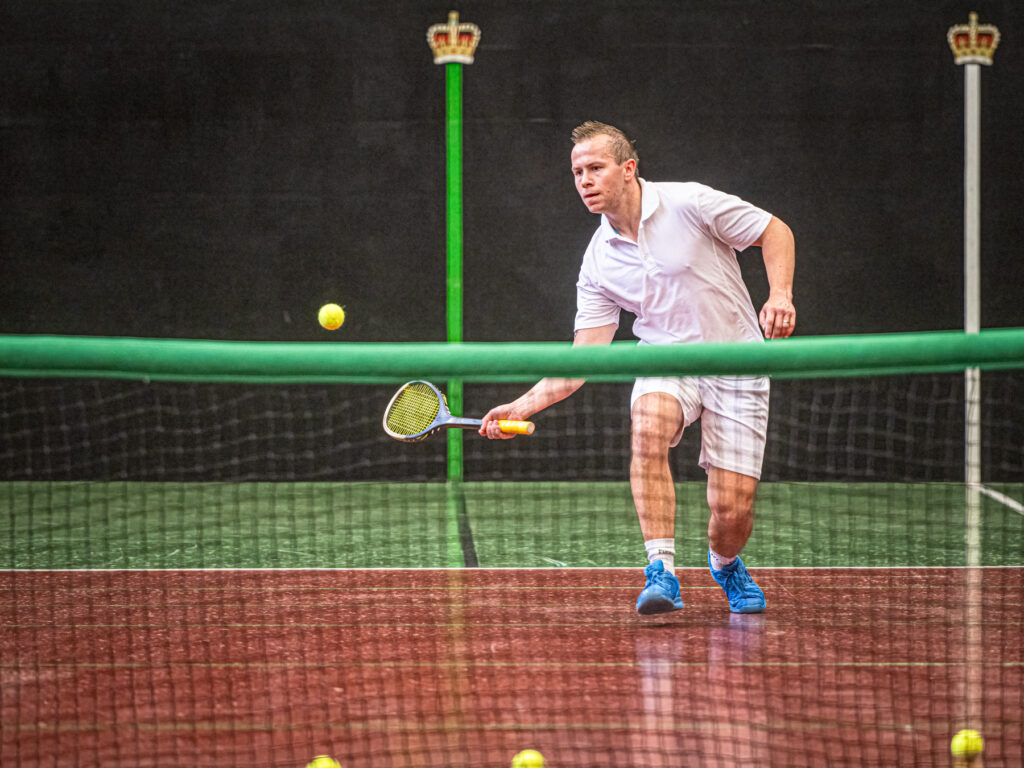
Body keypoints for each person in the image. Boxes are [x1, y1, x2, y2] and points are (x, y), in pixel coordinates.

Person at [479, 121, 795, 615]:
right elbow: (586, 354)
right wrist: (519, 405)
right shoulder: (598, 261)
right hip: (664, 360)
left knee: (730, 515)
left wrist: (780, 295)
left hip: (737, 362)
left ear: (628, 169)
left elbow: (773, 230)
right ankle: (661, 571)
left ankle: (724, 562)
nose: (584, 180)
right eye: (577, 172)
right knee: (647, 427)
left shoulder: (690, 202)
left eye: (596, 168)